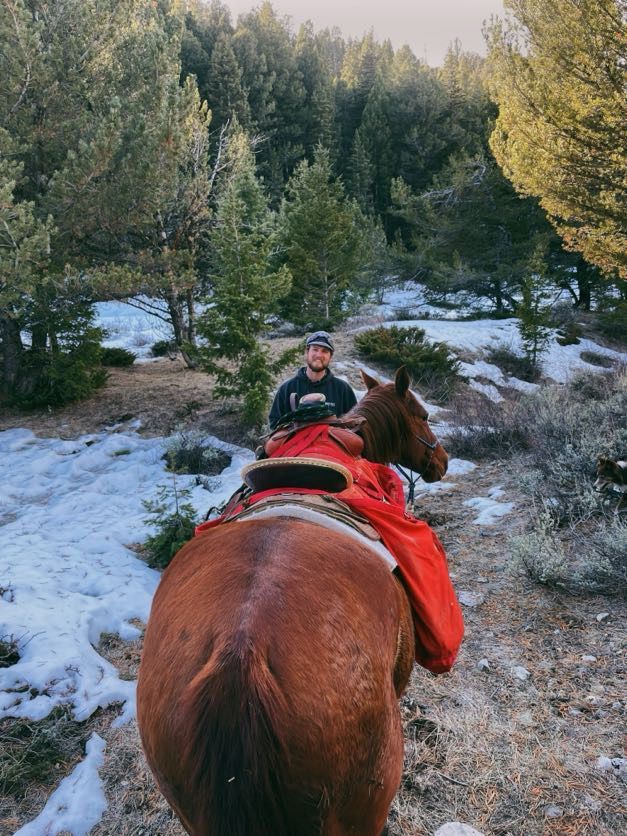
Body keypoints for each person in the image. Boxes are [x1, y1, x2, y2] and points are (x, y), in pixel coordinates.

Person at [269, 331, 357, 428]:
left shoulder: (343, 389)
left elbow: (354, 424)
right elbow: (274, 424)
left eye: (325, 351)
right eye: (315, 349)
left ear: (330, 356)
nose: (319, 355)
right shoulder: (287, 388)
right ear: (307, 352)